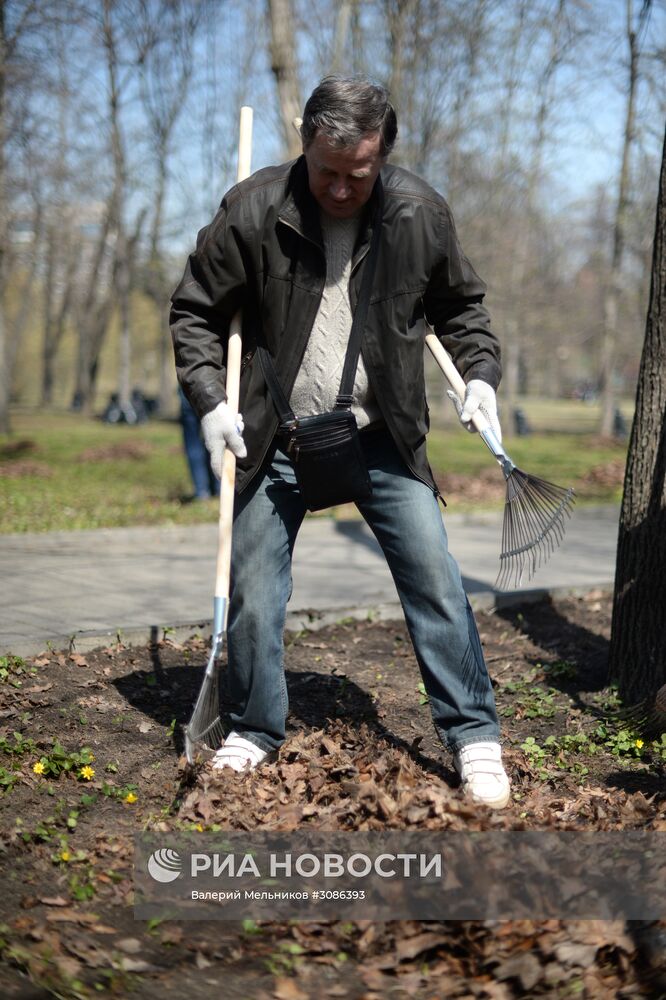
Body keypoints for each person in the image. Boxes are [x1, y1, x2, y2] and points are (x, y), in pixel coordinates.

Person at [170, 77, 511, 809]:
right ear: (305, 141)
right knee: (255, 597)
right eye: (326, 170)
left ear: (383, 154)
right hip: (274, 434)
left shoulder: (418, 214)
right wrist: (208, 402)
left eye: (358, 174)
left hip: (380, 433)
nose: (340, 188)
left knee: (436, 579)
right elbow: (196, 312)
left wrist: (480, 377)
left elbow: (462, 311)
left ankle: (474, 734)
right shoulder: (253, 210)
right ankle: (255, 728)